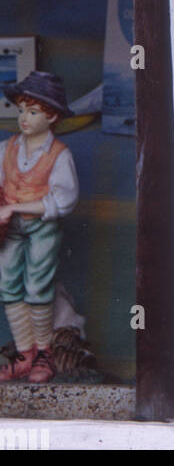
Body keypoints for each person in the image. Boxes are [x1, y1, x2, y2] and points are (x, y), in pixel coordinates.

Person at [0, 72, 78, 384]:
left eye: (33, 112)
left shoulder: (59, 154)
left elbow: (63, 200)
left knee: (37, 286)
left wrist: (15, 206)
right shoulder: (7, 148)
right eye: (21, 110)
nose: (24, 118)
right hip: (9, 229)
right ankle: (24, 353)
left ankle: (44, 352)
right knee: (7, 284)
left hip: (42, 228)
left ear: (52, 116)